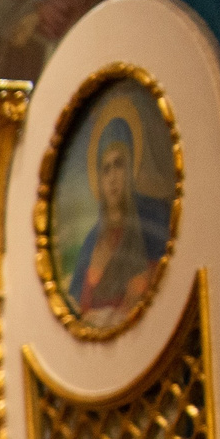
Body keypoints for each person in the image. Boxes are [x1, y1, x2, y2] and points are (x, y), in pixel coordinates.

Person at [65, 110, 169, 327]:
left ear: (130, 171)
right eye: (106, 169)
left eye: (119, 165)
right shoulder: (92, 240)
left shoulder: (151, 223)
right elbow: (73, 305)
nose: (112, 178)